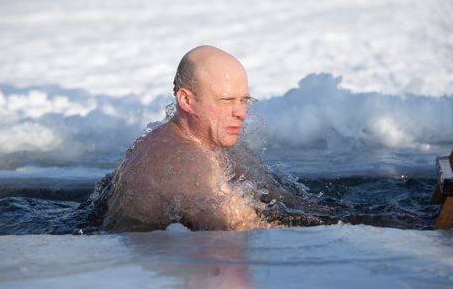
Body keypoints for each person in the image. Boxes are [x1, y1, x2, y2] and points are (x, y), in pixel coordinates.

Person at [98, 45, 328, 232]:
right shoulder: (182, 162)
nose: (241, 113)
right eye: (227, 101)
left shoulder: (211, 138)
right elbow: (243, 231)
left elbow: (285, 201)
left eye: (244, 100)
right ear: (186, 100)